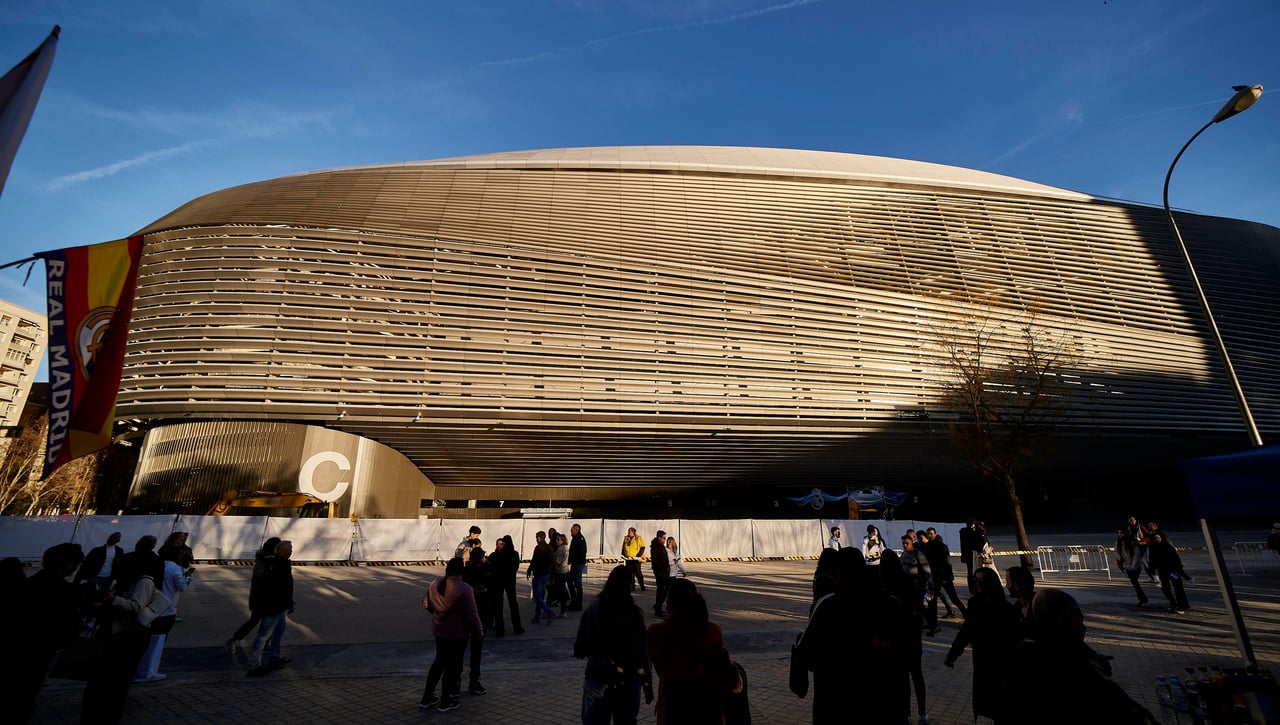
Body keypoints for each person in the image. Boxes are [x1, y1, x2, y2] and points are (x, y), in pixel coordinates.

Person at [1006, 589, 1160, 724]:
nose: (1083, 627)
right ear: (1072, 622)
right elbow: (1127, 711)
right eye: (1080, 620)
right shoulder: (1078, 669)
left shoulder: (1022, 651)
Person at [796, 547, 906, 723]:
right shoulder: (893, 605)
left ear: (839, 572)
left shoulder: (829, 607)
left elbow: (808, 656)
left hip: (837, 703)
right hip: (884, 701)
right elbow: (904, 656)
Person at [82, 536, 168, 725]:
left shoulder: (143, 582)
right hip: (116, 633)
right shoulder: (125, 581)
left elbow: (136, 606)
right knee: (106, 683)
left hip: (130, 635)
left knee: (115, 683)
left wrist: (114, 600)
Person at [646, 578, 742, 725]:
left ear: (670, 601)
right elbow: (730, 677)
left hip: (673, 709)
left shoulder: (656, 632)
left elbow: (659, 668)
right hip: (707, 709)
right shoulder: (711, 630)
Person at [12, 542, 85, 724]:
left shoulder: (27, 584)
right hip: (40, 651)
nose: (76, 567)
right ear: (64, 563)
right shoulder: (64, 591)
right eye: (74, 563)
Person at [573, 565, 654, 725]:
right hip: (627, 679)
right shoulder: (633, 613)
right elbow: (641, 653)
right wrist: (647, 683)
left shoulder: (594, 608)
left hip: (598, 675)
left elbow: (580, 647)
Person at [943, 565, 1021, 723]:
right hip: (981, 660)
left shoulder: (1006, 610)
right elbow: (966, 630)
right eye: (975, 580)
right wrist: (953, 653)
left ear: (992, 583)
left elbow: (1012, 641)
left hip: (1000, 661)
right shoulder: (974, 604)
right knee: (988, 701)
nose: (978, 583)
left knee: (1002, 704)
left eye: (982, 580)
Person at [420, 557, 484, 713]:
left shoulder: (434, 585)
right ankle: (445, 700)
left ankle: (427, 698)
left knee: (438, 663)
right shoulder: (464, 589)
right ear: (461, 570)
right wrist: (478, 632)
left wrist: (438, 614)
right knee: (452, 667)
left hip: (440, 631)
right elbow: (472, 615)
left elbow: (426, 604)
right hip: (457, 634)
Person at [880, 549, 931, 725]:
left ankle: (906, 714)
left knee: (902, 680)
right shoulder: (908, 581)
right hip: (913, 637)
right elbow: (919, 609)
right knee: (917, 675)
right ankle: (923, 713)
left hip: (895, 640)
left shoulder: (884, 586)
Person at [134, 545, 192, 683]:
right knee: (158, 641)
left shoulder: (156, 565)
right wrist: (188, 577)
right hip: (167, 607)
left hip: (151, 605)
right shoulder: (175, 569)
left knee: (147, 640)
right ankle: (148, 671)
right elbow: (182, 587)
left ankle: (141, 668)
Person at [247, 539, 295, 676]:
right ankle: (254, 663)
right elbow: (281, 586)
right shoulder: (273, 564)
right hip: (272, 605)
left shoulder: (278, 563)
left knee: (279, 629)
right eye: (289, 549)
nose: (291, 551)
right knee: (264, 634)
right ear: (280, 550)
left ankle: (275, 656)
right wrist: (288, 602)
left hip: (277, 605)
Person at [226, 536, 280, 651]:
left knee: (269, 623)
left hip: (267, 597)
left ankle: (264, 643)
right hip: (261, 597)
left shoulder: (269, 559)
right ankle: (234, 640)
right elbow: (261, 577)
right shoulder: (265, 560)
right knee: (256, 621)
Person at [900, 533, 939, 636]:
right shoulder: (904, 554)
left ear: (911, 542)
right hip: (908, 585)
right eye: (903, 543)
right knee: (913, 607)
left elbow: (927, 570)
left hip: (918, 585)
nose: (904, 545)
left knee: (920, 606)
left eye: (906, 543)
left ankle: (933, 626)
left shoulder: (918, 554)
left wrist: (931, 586)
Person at [924, 527, 966, 618]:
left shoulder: (941, 546)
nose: (929, 535)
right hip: (934, 577)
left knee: (954, 598)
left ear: (935, 533)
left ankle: (966, 615)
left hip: (943, 577)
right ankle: (932, 620)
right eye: (928, 534)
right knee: (931, 599)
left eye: (931, 533)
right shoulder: (929, 546)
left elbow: (947, 563)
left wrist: (947, 577)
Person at [488, 535, 524, 636]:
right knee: (513, 605)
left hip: (499, 582)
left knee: (498, 606)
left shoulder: (498, 555)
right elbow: (516, 567)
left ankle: (500, 629)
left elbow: (492, 567)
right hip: (510, 582)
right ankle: (517, 627)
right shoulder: (514, 554)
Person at [1149, 531, 1190, 613]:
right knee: (1165, 589)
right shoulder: (1153, 548)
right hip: (1162, 572)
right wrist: (1152, 570)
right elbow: (1152, 560)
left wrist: (1180, 571)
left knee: (1178, 588)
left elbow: (1176, 560)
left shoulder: (1168, 547)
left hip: (1173, 571)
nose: (1157, 539)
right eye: (1155, 538)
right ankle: (1173, 604)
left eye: (1158, 537)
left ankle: (1182, 606)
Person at [526, 530, 557, 625]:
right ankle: (537, 617)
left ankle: (549, 612)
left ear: (539, 538)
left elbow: (534, 560)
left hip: (539, 574)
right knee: (540, 596)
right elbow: (553, 562)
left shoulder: (538, 548)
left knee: (537, 597)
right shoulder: (549, 547)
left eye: (536, 537)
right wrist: (552, 575)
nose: (536, 539)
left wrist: (529, 570)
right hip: (547, 574)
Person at [1114, 529, 1150, 607]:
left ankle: (1143, 599)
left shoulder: (1131, 542)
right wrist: (1122, 564)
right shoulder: (1118, 543)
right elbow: (1116, 553)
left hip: (1135, 565)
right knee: (1135, 583)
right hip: (1127, 565)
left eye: (1121, 533)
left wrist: (1133, 566)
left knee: (1135, 582)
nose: (1119, 534)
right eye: (1118, 533)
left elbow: (1136, 554)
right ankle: (1143, 599)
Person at [1005, 565, 1037, 637]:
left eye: (1007, 582)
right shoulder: (1018, 607)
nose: (1006, 586)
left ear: (1016, 585)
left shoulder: (1039, 606)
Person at [1125, 516, 1154, 583]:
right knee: (1139, 562)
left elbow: (1149, 537)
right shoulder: (1129, 528)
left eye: (1133, 520)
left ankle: (1153, 576)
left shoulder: (1141, 527)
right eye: (1130, 520)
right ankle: (1151, 576)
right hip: (1136, 547)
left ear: (1135, 520)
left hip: (1144, 546)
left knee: (1144, 561)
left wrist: (1141, 539)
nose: (1132, 521)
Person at [649, 530, 671, 618]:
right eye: (663, 538)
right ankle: (658, 608)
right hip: (660, 572)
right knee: (661, 590)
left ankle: (658, 606)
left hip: (664, 571)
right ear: (659, 538)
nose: (665, 540)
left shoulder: (660, 546)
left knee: (664, 590)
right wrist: (660, 572)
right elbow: (655, 561)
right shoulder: (655, 547)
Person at [568, 523, 588, 611]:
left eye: (572, 530)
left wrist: (573, 559)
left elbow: (581, 552)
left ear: (577, 530)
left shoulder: (580, 539)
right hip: (575, 563)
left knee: (577, 584)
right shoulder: (576, 539)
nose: (570, 531)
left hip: (578, 564)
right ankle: (574, 601)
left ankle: (577, 604)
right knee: (570, 582)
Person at [552, 532, 572, 615]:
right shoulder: (565, 547)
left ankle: (563, 611)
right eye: (556, 539)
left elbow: (557, 561)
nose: (556, 541)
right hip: (565, 571)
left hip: (560, 572)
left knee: (561, 591)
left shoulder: (561, 549)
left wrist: (551, 559)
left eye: (558, 540)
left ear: (562, 541)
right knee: (562, 590)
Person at [621, 527, 646, 592]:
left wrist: (638, 556)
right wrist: (623, 555)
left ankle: (642, 586)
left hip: (635, 559)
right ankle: (632, 587)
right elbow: (623, 547)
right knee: (629, 574)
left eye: (630, 531)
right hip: (628, 559)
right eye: (628, 531)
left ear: (633, 532)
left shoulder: (638, 538)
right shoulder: (626, 538)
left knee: (638, 573)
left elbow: (642, 547)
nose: (629, 532)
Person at [959, 518, 977, 592]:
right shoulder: (971, 531)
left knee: (970, 572)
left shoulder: (963, 531)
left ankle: (972, 589)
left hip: (967, 555)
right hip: (972, 554)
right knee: (973, 572)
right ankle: (973, 588)